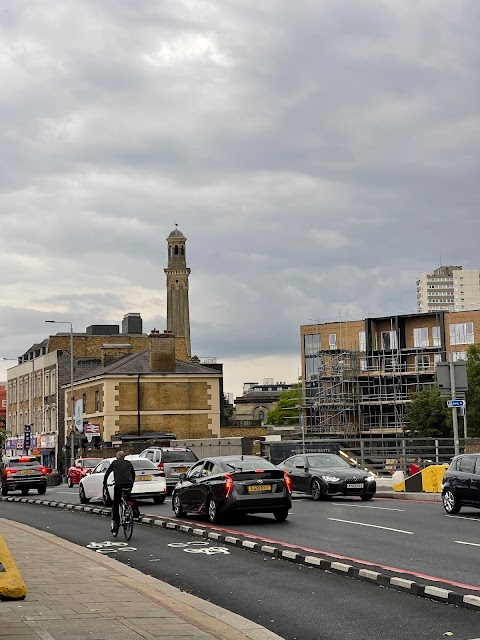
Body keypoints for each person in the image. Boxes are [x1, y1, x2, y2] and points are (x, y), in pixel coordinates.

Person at [103, 451, 140, 533]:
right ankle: (134, 511)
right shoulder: (128, 463)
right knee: (128, 499)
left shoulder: (114, 463)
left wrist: (104, 483)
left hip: (119, 485)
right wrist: (131, 483)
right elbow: (133, 474)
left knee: (116, 503)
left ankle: (116, 523)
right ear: (124, 457)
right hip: (129, 484)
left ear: (117, 457)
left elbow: (107, 473)